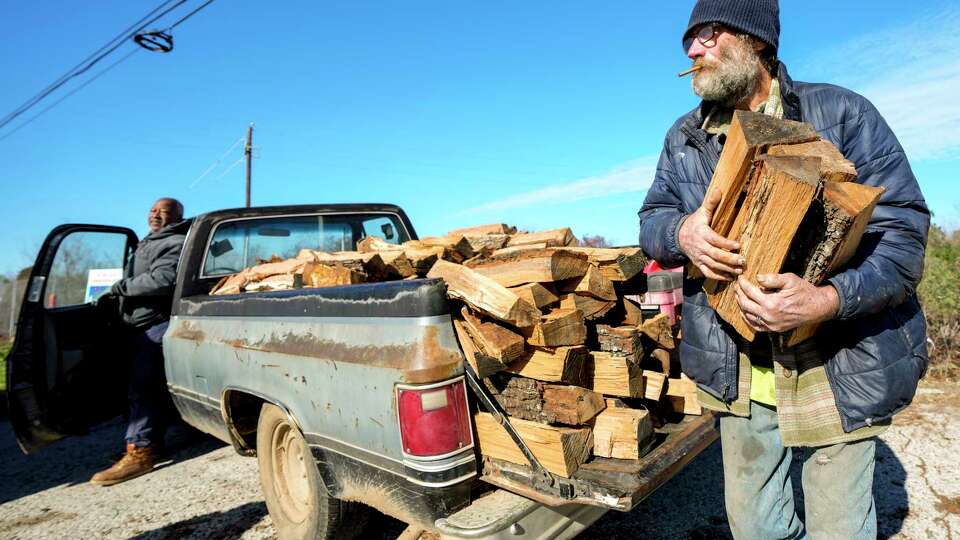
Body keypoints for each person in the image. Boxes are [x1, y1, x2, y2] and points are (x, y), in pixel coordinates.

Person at [637, 1, 929, 538]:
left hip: (837, 363)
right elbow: (651, 219)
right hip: (738, 367)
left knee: (840, 528)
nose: (692, 49)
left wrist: (826, 300)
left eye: (708, 33)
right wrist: (682, 233)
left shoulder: (843, 113)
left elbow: (904, 236)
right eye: (688, 41)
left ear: (756, 41)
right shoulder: (683, 137)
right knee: (755, 529)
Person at [90, 197, 189, 486]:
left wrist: (119, 288)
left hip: (156, 324)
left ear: (177, 216)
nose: (156, 214)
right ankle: (146, 442)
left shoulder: (174, 243)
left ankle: (141, 452)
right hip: (138, 325)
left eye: (164, 210)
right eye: (152, 209)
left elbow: (163, 280)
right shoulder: (150, 241)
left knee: (144, 388)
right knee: (143, 387)